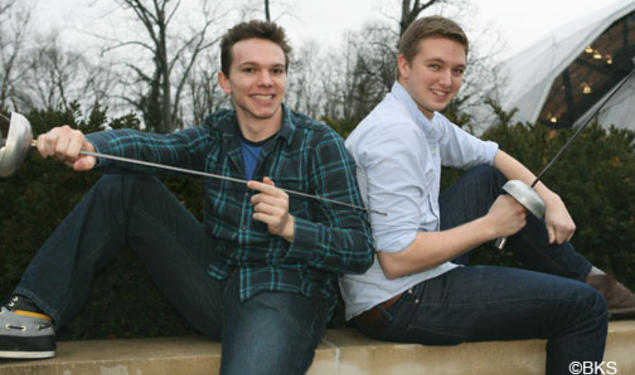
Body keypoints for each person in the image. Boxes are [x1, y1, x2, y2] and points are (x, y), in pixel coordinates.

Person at [0, 20, 373, 374]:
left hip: (285, 296)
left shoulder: (319, 143)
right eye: (250, 70)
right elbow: (152, 147)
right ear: (224, 81)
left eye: (276, 71)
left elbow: (358, 248)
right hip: (215, 286)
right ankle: (29, 317)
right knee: (127, 184)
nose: (266, 81)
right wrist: (88, 146)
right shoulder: (216, 134)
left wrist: (292, 227)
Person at [339, 15, 635, 375]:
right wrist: (491, 226)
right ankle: (592, 292)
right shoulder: (395, 135)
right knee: (585, 308)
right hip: (397, 300)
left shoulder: (421, 117)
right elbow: (397, 259)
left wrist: (552, 199)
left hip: (409, 277)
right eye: (435, 66)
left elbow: (490, 154)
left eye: (457, 70)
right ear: (404, 66)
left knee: (490, 177)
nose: (447, 81)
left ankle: (589, 277)